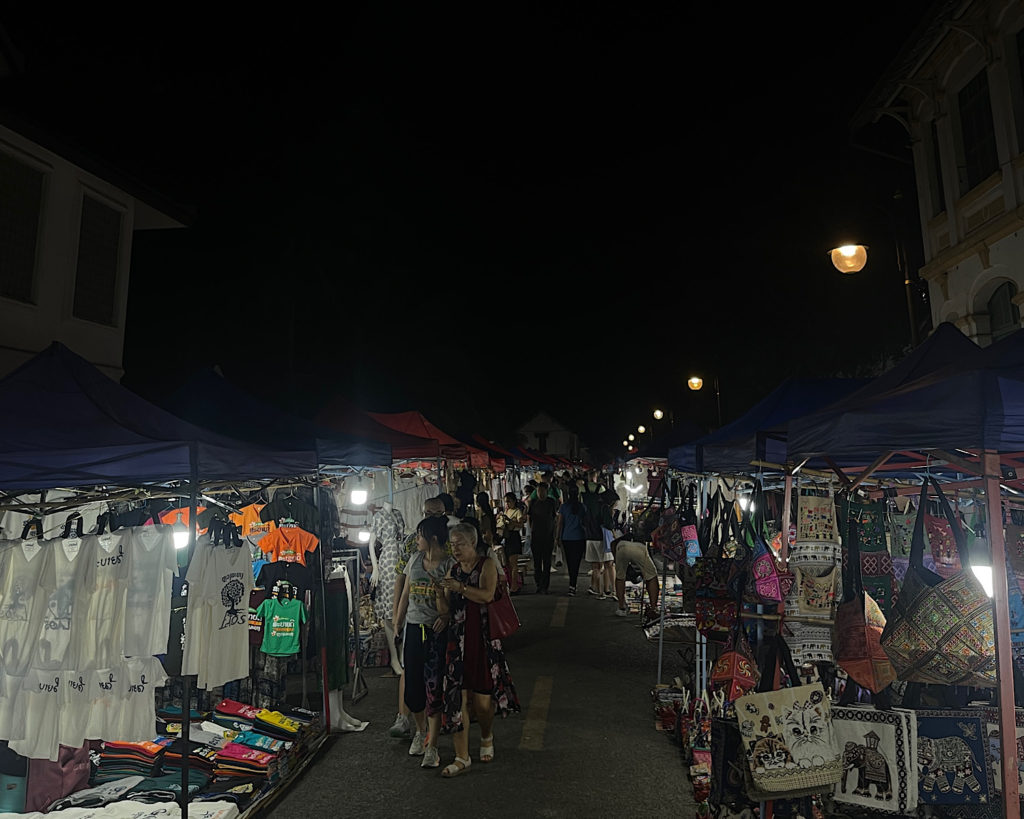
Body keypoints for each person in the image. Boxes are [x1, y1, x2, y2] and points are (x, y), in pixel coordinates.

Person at [437, 523, 520, 777]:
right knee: (457, 697)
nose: (455, 548)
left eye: (460, 543)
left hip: (483, 638)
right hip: (458, 640)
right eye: (452, 544)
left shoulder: (486, 565)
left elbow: (486, 596)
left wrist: (459, 587)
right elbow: (446, 611)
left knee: (483, 703)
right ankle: (462, 756)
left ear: (473, 543)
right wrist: (440, 592)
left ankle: (486, 734)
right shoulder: (452, 570)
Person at [392, 516, 455, 767]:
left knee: (434, 688)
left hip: (436, 632)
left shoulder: (448, 565)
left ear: (434, 539)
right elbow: (406, 593)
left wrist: (445, 615)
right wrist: (398, 621)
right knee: (413, 689)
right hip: (414, 629)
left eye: (420, 536)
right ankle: (420, 732)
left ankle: (433, 746)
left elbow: (449, 605)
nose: (416, 540)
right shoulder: (415, 560)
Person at [388, 496, 447, 740]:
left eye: (436, 513)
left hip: (437, 624)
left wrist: (447, 613)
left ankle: (435, 730)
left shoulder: (450, 543)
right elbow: (403, 581)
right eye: (427, 512)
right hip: (414, 621)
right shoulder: (413, 546)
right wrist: (397, 617)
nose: (430, 516)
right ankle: (408, 720)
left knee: (437, 677)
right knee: (410, 674)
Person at [610, 535, 660, 619]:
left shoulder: (617, 540)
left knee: (620, 576)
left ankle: (621, 607)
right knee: (652, 576)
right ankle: (653, 608)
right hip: (639, 546)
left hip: (621, 546)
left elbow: (613, 545)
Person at [526, 482, 559, 594]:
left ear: (546, 491)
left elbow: (555, 519)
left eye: (542, 491)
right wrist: (531, 531)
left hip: (548, 536)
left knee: (547, 562)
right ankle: (538, 584)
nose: (540, 493)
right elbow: (529, 519)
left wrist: (555, 536)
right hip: (536, 536)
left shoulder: (551, 502)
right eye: (538, 491)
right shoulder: (533, 503)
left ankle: (545, 586)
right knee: (537, 562)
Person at [555, 485, 587, 596]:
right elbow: (585, 522)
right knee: (577, 562)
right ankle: (573, 584)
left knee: (570, 562)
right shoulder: (582, 507)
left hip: (567, 537)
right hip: (579, 537)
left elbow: (560, 523)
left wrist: (557, 537)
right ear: (578, 494)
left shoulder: (564, 507)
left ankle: (572, 585)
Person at [496, 492, 526, 593]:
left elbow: (521, 524)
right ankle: (511, 585)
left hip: (513, 537)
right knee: (507, 564)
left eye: (509, 501)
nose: (507, 504)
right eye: (506, 502)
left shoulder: (517, 511)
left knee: (513, 564)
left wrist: (510, 521)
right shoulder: (506, 511)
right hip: (506, 538)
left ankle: (514, 586)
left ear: (514, 501)